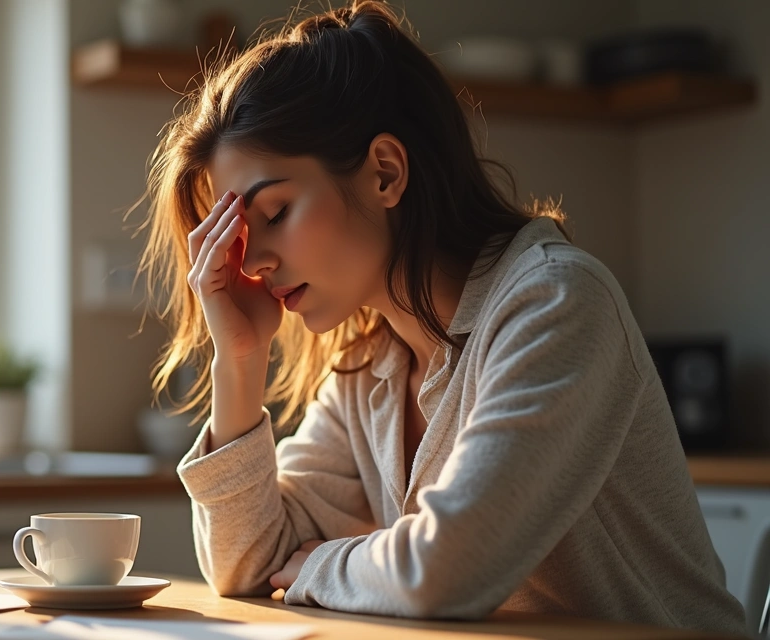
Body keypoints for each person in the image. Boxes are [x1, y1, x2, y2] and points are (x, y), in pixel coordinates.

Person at [135, 0, 748, 634]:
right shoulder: (369, 365)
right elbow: (248, 567)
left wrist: (324, 566)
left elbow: (449, 570)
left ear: (385, 172)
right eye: (239, 233)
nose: (254, 263)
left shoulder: (558, 302)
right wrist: (238, 361)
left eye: (276, 213)